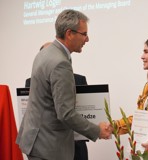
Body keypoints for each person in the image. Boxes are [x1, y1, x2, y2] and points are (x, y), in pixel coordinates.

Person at [16, 9, 111, 160]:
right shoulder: (60, 62)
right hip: (48, 147)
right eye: (84, 34)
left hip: (36, 141)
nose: (87, 39)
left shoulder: (45, 53)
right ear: (69, 33)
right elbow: (65, 113)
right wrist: (97, 130)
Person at [25, 42, 90, 160]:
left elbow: (84, 112)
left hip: (76, 145)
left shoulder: (79, 79)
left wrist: (94, 130)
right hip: (46, 147)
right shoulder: (31, 82)